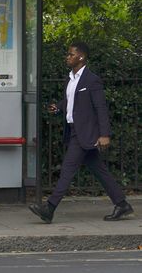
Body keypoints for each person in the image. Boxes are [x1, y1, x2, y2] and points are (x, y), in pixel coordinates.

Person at [29, 41, 133, 223]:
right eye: (68, 54)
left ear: (81, 57)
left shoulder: (92, 80)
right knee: (99, 170)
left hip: (85, 133)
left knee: (67, 170)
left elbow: (100, 108)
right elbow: (72, 102)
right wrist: (59, 107)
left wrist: (105, 134)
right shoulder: (70, 78)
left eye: (71, 54)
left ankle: (49, 208)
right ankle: (122, 204)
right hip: (74, 131)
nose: (67, 57)